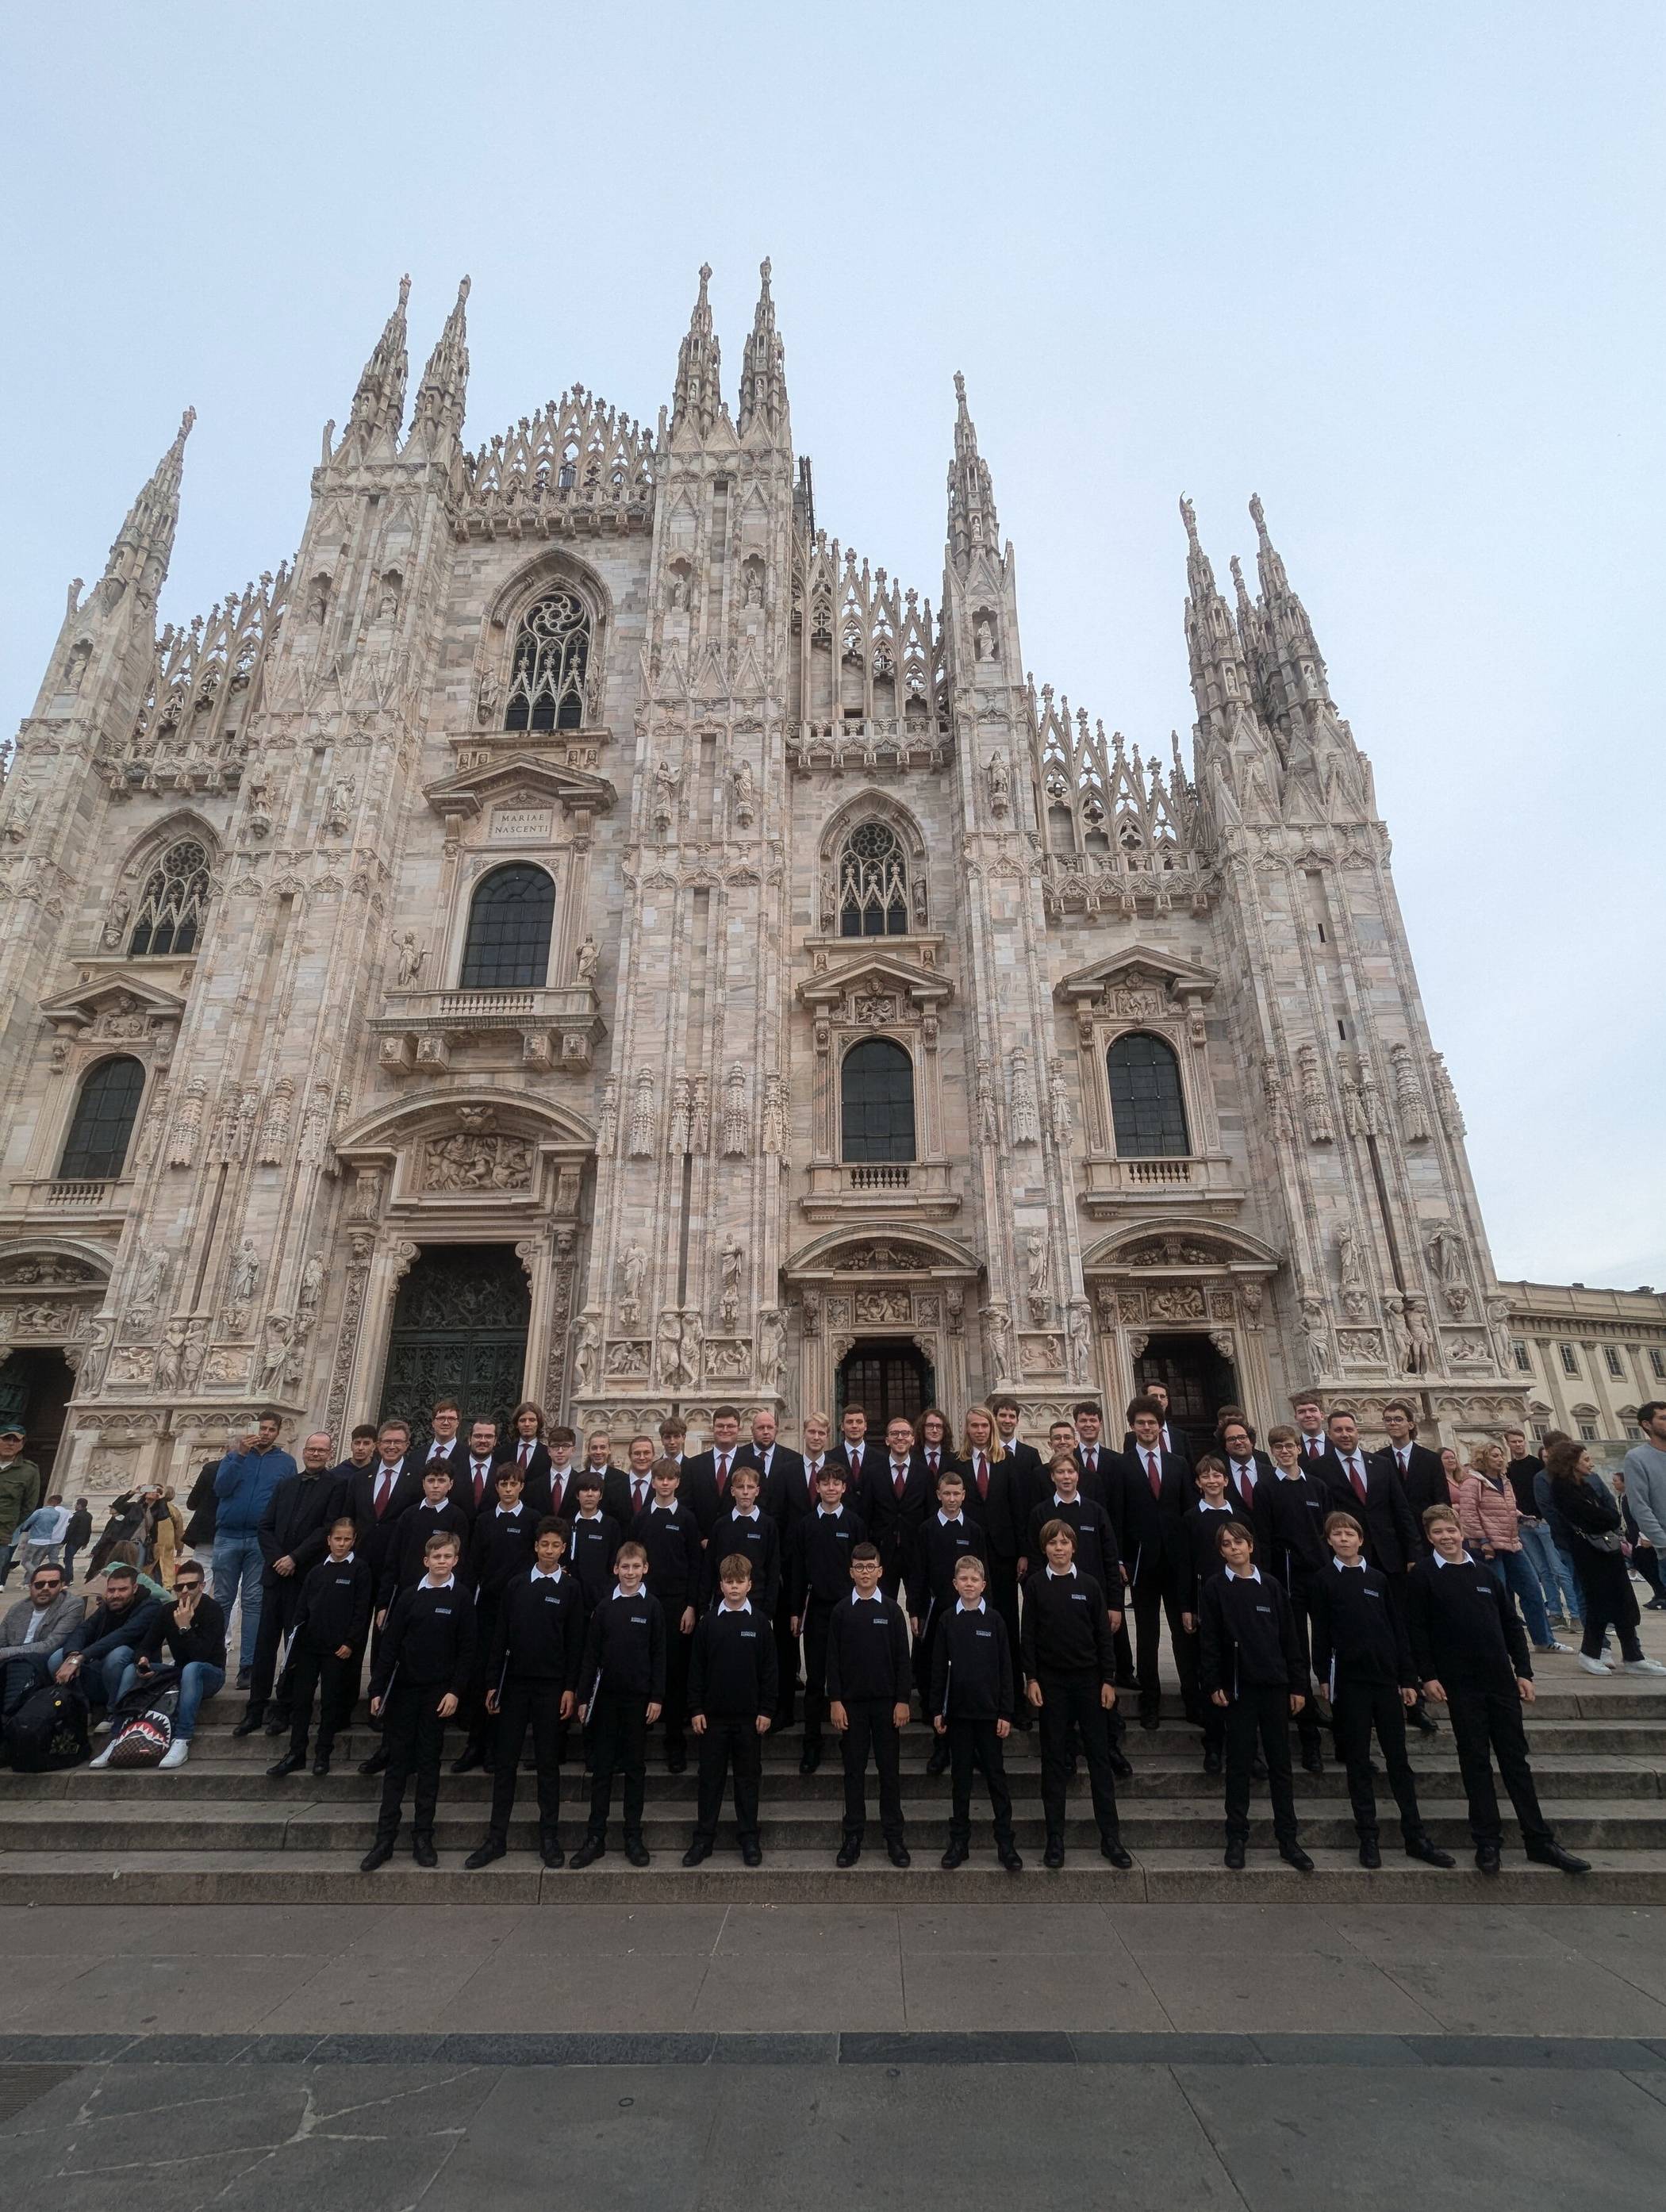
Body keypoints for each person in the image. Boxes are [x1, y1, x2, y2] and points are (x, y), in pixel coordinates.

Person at [1407, 1502, 1590, 1876]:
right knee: (1474, 1760)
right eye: (1438, 1532)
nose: (1446, 1537)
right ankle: (1487, 1840)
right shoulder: (1424, 1575)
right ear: (1429, 1537)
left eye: (1451, 1530)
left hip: (1499, 1680)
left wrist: (1524, 1672)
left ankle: (1539, 1839)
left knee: (1515, 1760)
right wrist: (1427, 1676)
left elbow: (1510, 1623)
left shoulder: (1484, 1572)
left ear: (1462, 1532)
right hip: (1460, 1683)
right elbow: (1417, 1630)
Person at [1307, 1511, 1453, 1870]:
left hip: (1386, 1681)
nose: (1344, 1539)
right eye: (1337, 1534)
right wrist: (1323, 1674)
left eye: (1349, 1534)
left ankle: (1415, 1835)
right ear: (1329, 1541)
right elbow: (1321, 1631)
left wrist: (1407, 1678)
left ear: (1360, 1539)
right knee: (1358, 1761)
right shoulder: (1323, 1580)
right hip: (1349, 1682)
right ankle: (1367, 1836)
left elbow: (1396, 1630)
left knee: (1398, 1760)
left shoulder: (1378, 1579)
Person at [466, 1515, 584, 1872]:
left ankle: (549, 1837)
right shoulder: (516, 1585)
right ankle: (496, 1838)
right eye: (544, 1544)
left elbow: (575, 1643)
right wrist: (492, 1682)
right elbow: (500, 1635)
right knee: (505, 1764)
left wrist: (570, 1688)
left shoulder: (570, 1589)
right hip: (514, 1685)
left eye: (555, 1545)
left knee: (548, 1765)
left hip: (551, 1688)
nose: (549, 1550)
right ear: (535, 1546)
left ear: (564, 1550)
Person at [1198, 1519, 1314, 1873]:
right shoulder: (1215, 1587)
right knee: (1239, 1765)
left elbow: (1290, 1638)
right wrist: (1213, 1683)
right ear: (1221, 1552)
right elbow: (1209, 1640)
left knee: (1281, 1767)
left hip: (1275, 1687)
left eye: (1239, 1542)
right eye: (1227, 1544)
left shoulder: (1272, 1586)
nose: (1234, 1548)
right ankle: (1236, 1837)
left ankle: (1288, 1839)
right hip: (1238, 1690)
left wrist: (1298, 1684)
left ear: (1251, 1546)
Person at [361, 1529, 477, 1871]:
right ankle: (385, 1839)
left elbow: (467, 1650)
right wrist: (377, 1689)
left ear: (456, 1560)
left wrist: (455, 1691)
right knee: (397, 1765)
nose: (442, 1562)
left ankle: (423, 1836)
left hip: (437, 1695)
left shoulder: (462, 1598)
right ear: (426, 1561)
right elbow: (390, 1646)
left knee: (428, 1765)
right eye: (436, 1557)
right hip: (404, 1692)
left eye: (447, 1556)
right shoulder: (410, 1596)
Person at [1020, 1519, 1132, 1869]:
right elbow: (1028, 1635)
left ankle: (1110, 1838)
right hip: (1051, 1684)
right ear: (1044, 1548)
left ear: (1074, 1547)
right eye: (1053, 1542)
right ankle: (1055, 1839)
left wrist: (1108, 1680)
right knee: (1054, 1760)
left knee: (1099, 1759)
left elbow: (1103, 1636)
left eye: (1065, 1542)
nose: (1059, 1548)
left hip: (1089, 1683)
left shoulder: (1089, 1584)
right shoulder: (1035, 1585)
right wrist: (1031, 1678)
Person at [233, 1431, 340, 1739]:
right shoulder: (286, 1485)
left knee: (295, 1647)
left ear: (330, 1454)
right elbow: (265, 1526)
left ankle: (284, 1708)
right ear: (303, 1451)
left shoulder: (336, 1487)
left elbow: (326, 1530)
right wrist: (277, 1558)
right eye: (311, 1449)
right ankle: (255, 1707)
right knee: (264, 1645)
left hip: (304, 1578)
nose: (315, 1454)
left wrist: (294, 1558)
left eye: (321, 1450)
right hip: (275, 1576)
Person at [571, 1541, 665, 1868]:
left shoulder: (652, 1607)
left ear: (645, 1569)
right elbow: (591, 1655)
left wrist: (656, 1696)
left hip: (638, 1701)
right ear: (615, 1569)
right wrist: (584, 1698)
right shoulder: (604, 1607)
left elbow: (659, 1655)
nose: (630, 1572)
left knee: (635, 1769)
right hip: (605, 1701)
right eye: (625, 1567)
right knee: (602, 1769)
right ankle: (595, 1837)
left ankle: (633, 1836)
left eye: (636, 1566)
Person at [684, 1553, 777, 1867]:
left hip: (749, 1720)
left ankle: (749, 1838)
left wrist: (767, 1710)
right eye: (729, 1582)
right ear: (720, 1585)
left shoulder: (760, 1623)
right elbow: (696, 1670)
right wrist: (696, 1708)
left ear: (749, 1584)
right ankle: (703, 1839)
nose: (734, 1587)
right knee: (710, 1780)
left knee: (747, 1780)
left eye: (740, 1582)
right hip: (713, 1720)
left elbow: (770, 1672)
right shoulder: (709, 1623)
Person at [1545, 1438, 1666, 1677]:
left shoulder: (1585, 1485)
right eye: (1586, 1459)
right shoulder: (1562, 1488)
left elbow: (1610, 1513)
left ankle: (1633, 1655)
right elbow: (1598, 1516)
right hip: (1589, 1552)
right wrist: (1605, 1517)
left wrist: (1605, 1517)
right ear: (1572, 1463)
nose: (1590, 1463)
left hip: (1607, 1550)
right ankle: (1590, 1653)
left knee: (1623, 1601)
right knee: (1599, 1603)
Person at [931, 1553, 1021, 1872]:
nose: (969, 1584)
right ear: (955, 1584)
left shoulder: (995, 1621)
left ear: (983, 1584)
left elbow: (1006, 1670)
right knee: (961, 1780)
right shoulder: (947, 1620)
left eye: (974, 1579)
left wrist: (1006, 1712)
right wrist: (937, 1710)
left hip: (989, 1715)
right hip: (958, 1715)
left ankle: (1005, 1842)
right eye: (963, 1579)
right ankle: (959, 1842)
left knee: (996, 1777)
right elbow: (938, 1669)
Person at [824, 1540, 912, 1868]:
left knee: (889, 1772)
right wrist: (836, 1701)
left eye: (870, 1567)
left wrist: (902, 1700)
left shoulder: (891, 1610)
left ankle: (894, 1838)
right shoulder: (841, 1611)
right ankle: (853, 1837)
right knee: (854, 1772)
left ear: (880, 1571)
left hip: (887, 1706)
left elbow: (903, 1659)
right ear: (851, 1572)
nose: (865, 1572)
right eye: (859, 1567)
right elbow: (833, 1660)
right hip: (852, 1706)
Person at [1251, 1423, 1330, 1775]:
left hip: (1319, 1576)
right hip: (1286, 1579)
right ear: (1272, 1452)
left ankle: (1340, 1720)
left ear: (1300, 1448)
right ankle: (1308, 1730)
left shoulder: (1317, 1487)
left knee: (1328, 1644)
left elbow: (1328, 1531)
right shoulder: (1266, 1487)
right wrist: (1269, 1581)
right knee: (1296, 1649)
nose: (1285, 1451)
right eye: (1278, 1447)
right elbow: (1264, 1537)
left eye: (1289, 1446)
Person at [100, 1557, 227, 1769]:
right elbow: (147, 1644)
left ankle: (183, 1738)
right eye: (179, 1587)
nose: (184, 1591)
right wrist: (142, 1660)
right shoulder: (168, 1610)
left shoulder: (212, 1610)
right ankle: (117, 1736)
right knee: (131, 1669)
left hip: (209, 1674)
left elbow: (201, 1655)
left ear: (202, 1586)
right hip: (179, 1673)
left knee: (192, 1668)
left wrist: (185, 1627)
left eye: (191, 1585)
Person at [269, 1517, 372, 1777]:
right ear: (329, 1540)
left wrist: (350, 1642)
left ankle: (323, 1753)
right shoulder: (316, 1572)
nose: (341, 1544)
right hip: (309, 1647)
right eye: (337, 1539)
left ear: (354, 1541)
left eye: (347, 1539)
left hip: (337, 1650)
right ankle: (296, 1752)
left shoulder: (359, 1570)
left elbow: (361, 1612)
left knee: (330, 1702)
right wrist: (295, 1644)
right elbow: (302, 1610)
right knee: (302, 1701)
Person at [457, 1460, 537, 1772]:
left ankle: (497, 1747)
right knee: (483, 1674)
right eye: (503, 1484)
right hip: (488, 1606)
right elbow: (474, 1565)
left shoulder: (531, 1519)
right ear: (497, 1487)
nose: (508, 1489)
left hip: (519, 1609)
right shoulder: (485, 1520)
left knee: (509, 1676)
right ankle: (475, 1744)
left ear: (521, 1487)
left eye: (513, 1484)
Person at [788, 1461, 866, 1776]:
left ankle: (851, 1742)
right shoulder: (806, 1525)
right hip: (818, 1610)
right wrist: (795, 1611)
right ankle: (812, 1742)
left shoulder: (855, 1523)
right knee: (816, 1680)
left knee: (849, 1677)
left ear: (844, 1488)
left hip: (848, 1611)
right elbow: (797, 1571)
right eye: (826, 1483)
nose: (831, 1488)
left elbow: (864, 1568)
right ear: (817, 1487)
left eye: (837, 1483)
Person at [907, 1467, 985, 1776]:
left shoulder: (974, 1530)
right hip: (936, 1613)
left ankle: (973, 1748)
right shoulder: (926, 1529)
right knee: (935, 1676)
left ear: (964, 1496)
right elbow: (917, 1572)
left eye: (956, 1494)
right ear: (938, 1495)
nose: (951, 1499)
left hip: (969, 1613)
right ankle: (940, 1747)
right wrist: (915, 1610)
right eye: (946, 1494)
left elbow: (983, 1572)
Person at [212, 1409, 298, 1686]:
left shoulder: (286, 1463)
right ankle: (214, 1661)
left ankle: (247, 1665)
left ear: (278, 1433)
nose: (266, 1434)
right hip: (227, 1535)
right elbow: (221, 1489)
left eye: (271, 1429)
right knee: (221, 1600)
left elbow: (288, 1502)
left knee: (253, 1602)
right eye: (262, 1428)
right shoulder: (233, 1457)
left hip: (261, 1539)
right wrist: (239, 1455)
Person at [1456, 1440, 1565, 1656]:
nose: (1500, 1459)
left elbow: (1507, 1508)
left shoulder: (1504, 1481)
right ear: (1483, 1458)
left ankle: (1544, 1640)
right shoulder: (1472, 1482)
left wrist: (1521, 1517)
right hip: (1490, 1548)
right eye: (1495, 1456)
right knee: (1496, 1597)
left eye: (1501, 1455)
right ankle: (1498, 1642)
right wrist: (1483, 1541)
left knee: (1532, 1590)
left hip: (1512, 1544)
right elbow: (1468, 1515)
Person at [631, 1457, 701, 1771]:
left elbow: (695, 1564)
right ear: (653, 1482)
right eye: (659, 1479)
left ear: (677, 1483)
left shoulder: (686, 1519)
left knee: (674, 1672)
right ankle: (638, 1736)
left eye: (670, 1479)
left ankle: (675, 1742)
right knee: (643, 1666)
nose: (664, 1483)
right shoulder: (642, 1518)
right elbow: (633, 1560)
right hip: (646, 1602)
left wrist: (691, 1606)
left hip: (677, 1605)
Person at [958, 1405, 1026, 1718]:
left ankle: (1014, 1701)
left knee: (1008, 1623)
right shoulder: (956, 1463)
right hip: (970, 1555)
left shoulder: (1006, 1462)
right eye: (974, 1426)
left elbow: (1017, 1507)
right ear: (967, 1429)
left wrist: (1023, 1551)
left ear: (992, 1428)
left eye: (984, 1426)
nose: (980, 1431)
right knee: (971, 1624)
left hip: (1003, 1554)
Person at [1178, 1456, 1242, 1775]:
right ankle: (1213, 1743)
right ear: (1198, 1483)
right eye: (1206, 1476)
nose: (1213, 1481)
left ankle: (1245, 1746)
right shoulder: (1191, 1518)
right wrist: (1187, 1606)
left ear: (1226, 1480)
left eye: (1218, 1475)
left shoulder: (1240, 1516)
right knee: (1211, 1671)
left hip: (1240, 1604)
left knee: (1240, 1670)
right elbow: (1184, 1565)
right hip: (1207, 1604)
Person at [771, 1411, 829, 1725]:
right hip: (792, 1566)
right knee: (786, 1637)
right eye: (812, 1432)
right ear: (804, 1434)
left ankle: (828, 1706)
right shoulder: (786, 1471)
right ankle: (784, 1709)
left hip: (826, 1570)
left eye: (821, 1433)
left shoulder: (836, 1471)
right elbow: (777, 1517)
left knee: (828, 1641)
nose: (816, 1437)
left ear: (827, 1437)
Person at [50, 1562, 166, 1718]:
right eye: (111, 1590)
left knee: (118, 1653)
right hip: (100, 1668)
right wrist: (73, 1654)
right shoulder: (109, 1606)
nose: (116, 1595)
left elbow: (122, 1635)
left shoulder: (151, 1606)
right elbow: (84, 1629)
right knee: (57, 1657)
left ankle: (112, 1712)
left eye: (122, 1589)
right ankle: (81, 1707)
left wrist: (81, 1658)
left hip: (134, 1668)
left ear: (135, 1588)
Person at [1503, 1424, 1581, 1628]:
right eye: (1514, 1442)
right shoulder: (1509, 1469)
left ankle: (1576, 1614)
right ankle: (1555, 1612)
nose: (1518, 1445)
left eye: (1520, 1441)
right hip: (1524, 1524)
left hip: (1543, 1523)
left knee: (1559, 1569)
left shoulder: (1537, 1465)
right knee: (1543, 1571)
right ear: (1508, 1444)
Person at [859, 1414, 931, 1602]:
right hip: (883, 1551)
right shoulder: (872, 1472)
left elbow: (930, 1513)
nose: (900, 1437)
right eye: (895, 1434)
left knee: (919, 1606)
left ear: (913, 1439)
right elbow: (866, 1513)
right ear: (887, 1440)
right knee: (881, 1605)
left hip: (915, 1551)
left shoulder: (925, 1473)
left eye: (905, 1433)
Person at [0, 1560, 83, 1718]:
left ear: (62, 1585)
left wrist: (4, 1653)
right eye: (39, 1584)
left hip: (45, 1662)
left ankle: (10, 1717)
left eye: (52, 1584)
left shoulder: (72, 1605)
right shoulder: (18, 1608)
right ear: (31, 1586)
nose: (45, 1588)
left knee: (22, 1664)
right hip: (12, 1660)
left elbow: (50, 1645)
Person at [700, 1464, 781, 1620]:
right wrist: (703, 1608)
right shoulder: (721, 1525)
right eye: (740, 1487)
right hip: (722, 1603)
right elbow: (709, 1568)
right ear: (732, 1491)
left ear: (757, 1491)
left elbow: (773, 1569)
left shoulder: (768, 1525)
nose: (745, 1492)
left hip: (757, 1604)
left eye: (750, 1487)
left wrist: (768, 1611)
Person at [1621, 1404, 1666, 1610]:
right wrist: (1662, 1542)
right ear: (1647, 1425)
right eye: (1663, 1418)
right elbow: (1639, 1506)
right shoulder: (1637, 1458)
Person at [0, 1426, 43, 1588]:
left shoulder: (28, 1471)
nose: (10, 1443)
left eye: (16, 1440)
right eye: (6, 1439)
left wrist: (9, 1522)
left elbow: (28, 1506)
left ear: (22, 1444)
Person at [14, 1494, 70, 1576]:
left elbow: (28, 1522)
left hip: (35, 1539)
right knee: (36, 1563)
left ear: (48, 1501)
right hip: (46, 1540)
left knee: (25, 1561)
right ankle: (29, 1581)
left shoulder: (40, 1512)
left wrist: (23, 1529)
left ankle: (38, 1575)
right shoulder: (57, 1514)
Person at [61, 1498, 92, 1587]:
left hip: (73, 1540)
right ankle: (68, 1577)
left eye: (76, 1504)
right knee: (68, 1559)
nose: (75, 1506)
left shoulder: (77, 1516)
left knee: (68, 1559)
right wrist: (86, 1542)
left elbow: (71, 1530)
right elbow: (89, 1530)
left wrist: (63, 1542)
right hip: (80, 1541)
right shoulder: (89, 1516)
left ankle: (69, 1579)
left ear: (79, 1505)